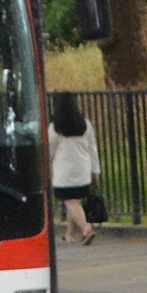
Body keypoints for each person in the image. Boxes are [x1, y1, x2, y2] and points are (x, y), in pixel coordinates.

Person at [48, 92, 98, 246]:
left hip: (64, 172)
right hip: (83, 170)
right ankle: (69, 234)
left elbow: (50, 150)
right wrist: (96, 171)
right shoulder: (85, 124)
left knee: (69, 201)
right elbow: (92, 148)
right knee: (74, 201)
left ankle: (86, 229)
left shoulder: (55, 127)